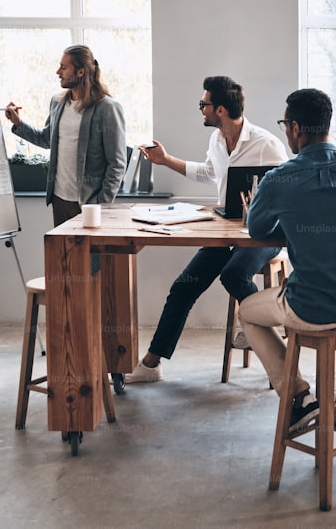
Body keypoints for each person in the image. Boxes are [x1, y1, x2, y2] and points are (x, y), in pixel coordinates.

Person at [238, 88, 336, 433]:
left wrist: (296, 221)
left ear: (295, 128)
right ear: (326, 124)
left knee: (246, 312)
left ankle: (299, 397)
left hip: (306, 307)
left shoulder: (278, 178)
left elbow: (257, 229)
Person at [124, 76, 289, 383]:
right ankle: (150, 364)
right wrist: (165, 160)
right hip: (225, 231)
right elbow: (207, 173)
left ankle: (261, 329)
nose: (201, 109)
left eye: (204, 104)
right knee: (183, 287)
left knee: (234, 273)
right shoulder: (217, 140)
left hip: (265, 233)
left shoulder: (265, 143)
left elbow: (288, 186)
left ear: (221, 110)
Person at [4, 44, 127, 227]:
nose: (57, 72)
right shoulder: (57, 102)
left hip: (89, 204)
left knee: (90, 256)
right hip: (59, 200)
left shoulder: (107, 108)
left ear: (80, 72)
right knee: (62, 256)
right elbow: (47, 139)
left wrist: (100, 204)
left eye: (64, 67)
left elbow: (117, 163)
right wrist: (18, 124)